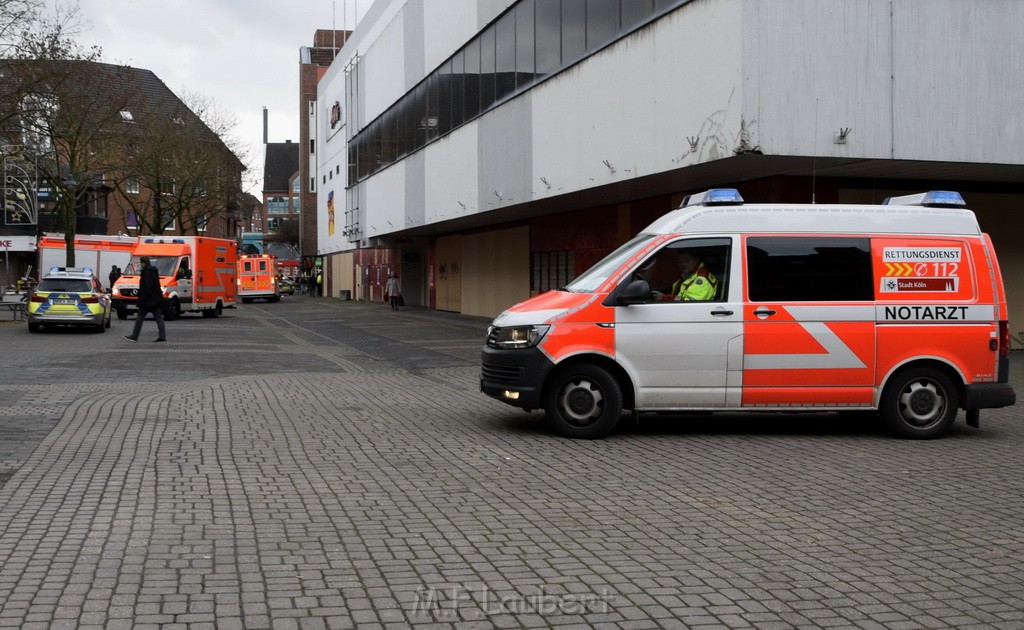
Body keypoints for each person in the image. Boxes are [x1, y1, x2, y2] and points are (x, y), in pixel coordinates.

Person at [124, 256, 167, 343]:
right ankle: (162, 336)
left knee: (140, 316)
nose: (141, 265)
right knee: (159, 317)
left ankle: (134, 336)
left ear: (144, 262)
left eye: (141, 263)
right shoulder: (153, 270)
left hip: (148, 300)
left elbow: (148, 286)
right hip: (155, 299)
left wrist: (143, 299)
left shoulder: (147, 272)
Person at [651, 250, 717, 302]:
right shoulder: (689, 275)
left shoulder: (701, 279)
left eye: (687, 261)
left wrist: (664, 297)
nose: (683, 264)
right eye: (680, 262)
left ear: (696, 260)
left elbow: (691, 304)